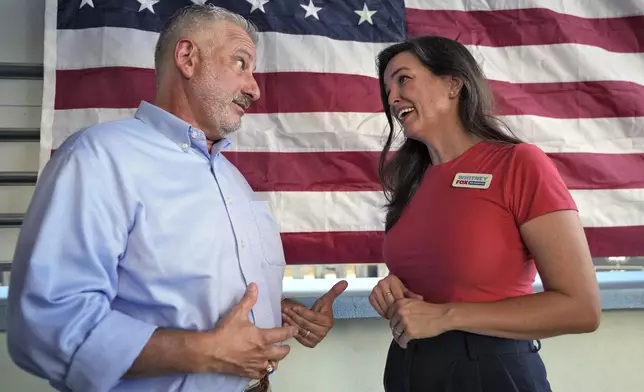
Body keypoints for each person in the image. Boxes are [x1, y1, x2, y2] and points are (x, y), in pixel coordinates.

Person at [6, 4, 347, 392]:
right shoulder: (98, 158)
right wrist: (201, 351)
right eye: (241, 63)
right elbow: (46, 324)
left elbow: (195, 291)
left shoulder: (233, 179)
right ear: (187, 58)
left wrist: (278, 311)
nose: (254, 88)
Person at [368, 35, 601, 391]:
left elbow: (581, 308)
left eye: (403, 79)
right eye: (387, 89)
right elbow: (438, 278)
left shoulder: (519, 164)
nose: (392, 97)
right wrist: (394, 293)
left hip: (489, 371)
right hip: (408, 368)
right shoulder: (409, 181)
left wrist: (445, 316)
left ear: (453, 84)